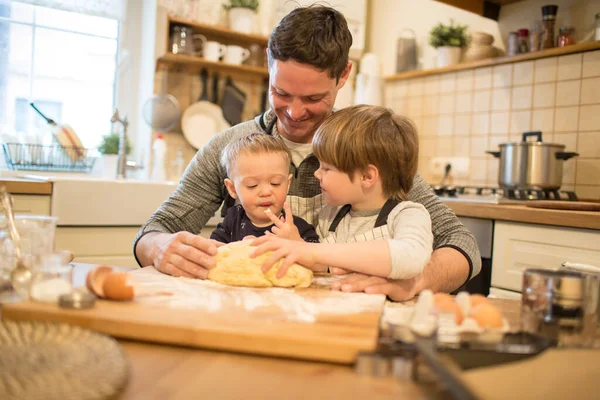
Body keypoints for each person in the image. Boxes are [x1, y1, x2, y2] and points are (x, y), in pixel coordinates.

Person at [133, 5, 481, 300]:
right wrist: (159, 247)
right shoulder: (228, 148)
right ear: (269, 62)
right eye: (281, 93)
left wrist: (415, 281)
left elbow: (461, 244)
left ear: (343, 75)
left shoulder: (363, 150)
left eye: (313, 99)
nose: (295, 112)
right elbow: (157, 229)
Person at [253, 105, 433, 280]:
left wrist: (312, 251)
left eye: (326, 168)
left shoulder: (407, 215)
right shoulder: (331, 216)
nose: (317, 173)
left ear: (367, 176)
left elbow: (410, 258)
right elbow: (326, 266)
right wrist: (297, 245)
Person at [210, 133, 319, 244]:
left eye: (275, 183)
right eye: (252, 185)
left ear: (287, 184)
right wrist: (238, 248)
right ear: (233, 189)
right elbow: (213, 250)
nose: (266, 192)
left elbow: (318, 257)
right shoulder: (233, 220)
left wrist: (297, 242)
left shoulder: (295, 227)